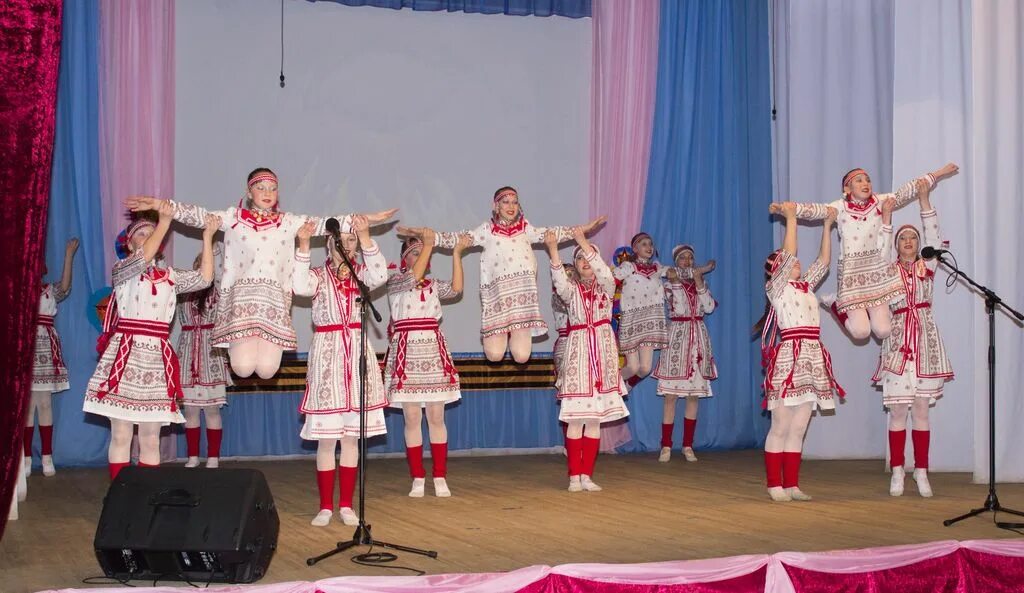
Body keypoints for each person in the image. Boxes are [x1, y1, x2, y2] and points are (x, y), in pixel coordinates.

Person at [125, 168, 396, 379]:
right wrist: (164, 206)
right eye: (261, 187)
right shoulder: (233, 217)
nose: (268, 192)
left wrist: (365, 219)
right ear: (249, 190)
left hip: (273, 306)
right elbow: (199, 215)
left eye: (273, 188)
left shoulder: (289, 222)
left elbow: (328, 224)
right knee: (242, 368)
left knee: (267, 370)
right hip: (241, 304)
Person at [84, 204, 216, 479]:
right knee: (121, 433)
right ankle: (119, 494)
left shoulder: (170, 276)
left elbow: (205, 278)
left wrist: (207, 237)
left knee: (151, 435)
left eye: (150, 232)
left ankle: (146, 496)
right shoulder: (124, 269)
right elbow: (145, 256)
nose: (147, 237)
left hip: (156, 355)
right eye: (141, 234)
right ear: (130, 245)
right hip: (127, 351)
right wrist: (165, 221)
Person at [293, 216, 388, 527]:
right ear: (330, 243)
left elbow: (380, 273)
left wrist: (366, 234)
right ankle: (325, 506)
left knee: (350, 438)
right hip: (328, 355)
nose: (346, 245)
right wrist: (304, 245)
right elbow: (298, 285)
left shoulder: (362, 275)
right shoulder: (318, 276)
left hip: (357, 355)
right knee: (326, 439)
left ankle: (346, 505)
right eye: (341, 240)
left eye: (351, 241)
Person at [757, 202, 842, 501]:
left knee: (800, 424)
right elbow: (790, 253)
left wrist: (828, 226)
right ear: (776, 270)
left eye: (793, 262)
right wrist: (791, 218)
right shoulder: (777, 290)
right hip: (790, 357)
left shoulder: (806, 286)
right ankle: (774, 484)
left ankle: (791, 483)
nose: (795, 263)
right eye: (787, 262)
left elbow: (824, 261)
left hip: (811, 357)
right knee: (781, 423)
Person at [874, 186, 953, 497]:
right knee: (898, 412)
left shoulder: (927, 266)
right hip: (897, 341)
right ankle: (897, 471)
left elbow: (934, 237)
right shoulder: (888, 270)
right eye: (903, 239)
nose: (908, 242)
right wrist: (887, 217)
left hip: (925, 341)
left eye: (913, 239)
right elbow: (879, 249)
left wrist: (924, 200)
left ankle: (921, 471)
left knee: (921, 409)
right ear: (897, 245)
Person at [384, 229, 471, 498]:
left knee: (436, 416)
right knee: (411, 417)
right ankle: (418, 477)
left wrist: (457, 254)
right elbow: (413, 277)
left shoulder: (432, 286)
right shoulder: (396, 281)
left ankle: (440, 475)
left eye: (422, 253)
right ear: (404, 259)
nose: (420, 256)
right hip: (407, 351)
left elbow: (456, 289)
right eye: (414, 253)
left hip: (432, 351)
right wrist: (430, 244)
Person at [545, 227, 628, 492]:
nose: (585, 262)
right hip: (579, 353)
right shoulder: (571, 292)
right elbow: (559, 280)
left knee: (594, 420)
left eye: (589, 257)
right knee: (575, 418)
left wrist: (582, 239)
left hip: (602, 355)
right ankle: (573, 475)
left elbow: (604, 271)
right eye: (579, 258)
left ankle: (587, 475)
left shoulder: (606, 285)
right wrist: (554, 249)